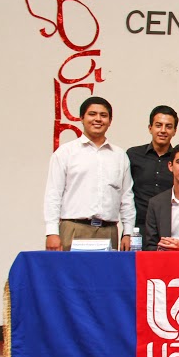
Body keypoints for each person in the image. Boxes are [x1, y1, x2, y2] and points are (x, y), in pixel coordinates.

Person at [43, 97, 135, 251]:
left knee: (106, 275)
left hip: (109, 230)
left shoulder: (119, 156)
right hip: (74, 228)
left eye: (103, 115)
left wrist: (128, 232)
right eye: (92, 114)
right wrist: (52, 232)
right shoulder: (66, 153)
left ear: (110, 121)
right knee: (70, 275)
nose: (98, 119)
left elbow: (126, 197)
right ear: (81, 118)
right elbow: (53, 194)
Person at [126, 105, 178, 234]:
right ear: (150, 128)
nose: (163, 130)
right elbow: (124, 193)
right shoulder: (133, 155)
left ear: (175, 131)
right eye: (158, 125)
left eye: (168, 126)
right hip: (138, 228)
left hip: (170, 228)